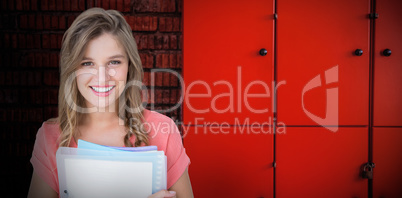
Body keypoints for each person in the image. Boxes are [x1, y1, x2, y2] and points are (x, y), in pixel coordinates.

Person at [27, 8, 193, 198]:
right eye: (87, 63)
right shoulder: (51, 137)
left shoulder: (163, 130)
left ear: (129, 66)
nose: (102, 77)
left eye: (114, 62)